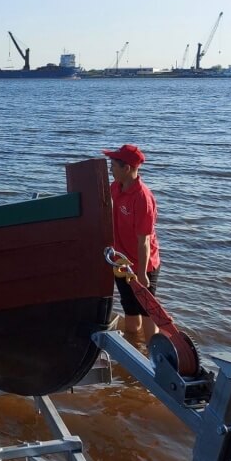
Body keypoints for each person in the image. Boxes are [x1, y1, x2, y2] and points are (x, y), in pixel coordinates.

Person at [102, 144, 160, 341]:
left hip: (143, 265)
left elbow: (144, 240)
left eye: (113, 166)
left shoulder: (142, 198)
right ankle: (135, 347)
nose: (110, 169)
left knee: (148, 313)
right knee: (130, 312)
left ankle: (155, 355)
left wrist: (142, 274)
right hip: (121, 261)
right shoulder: (115, 187)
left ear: (126, 168)